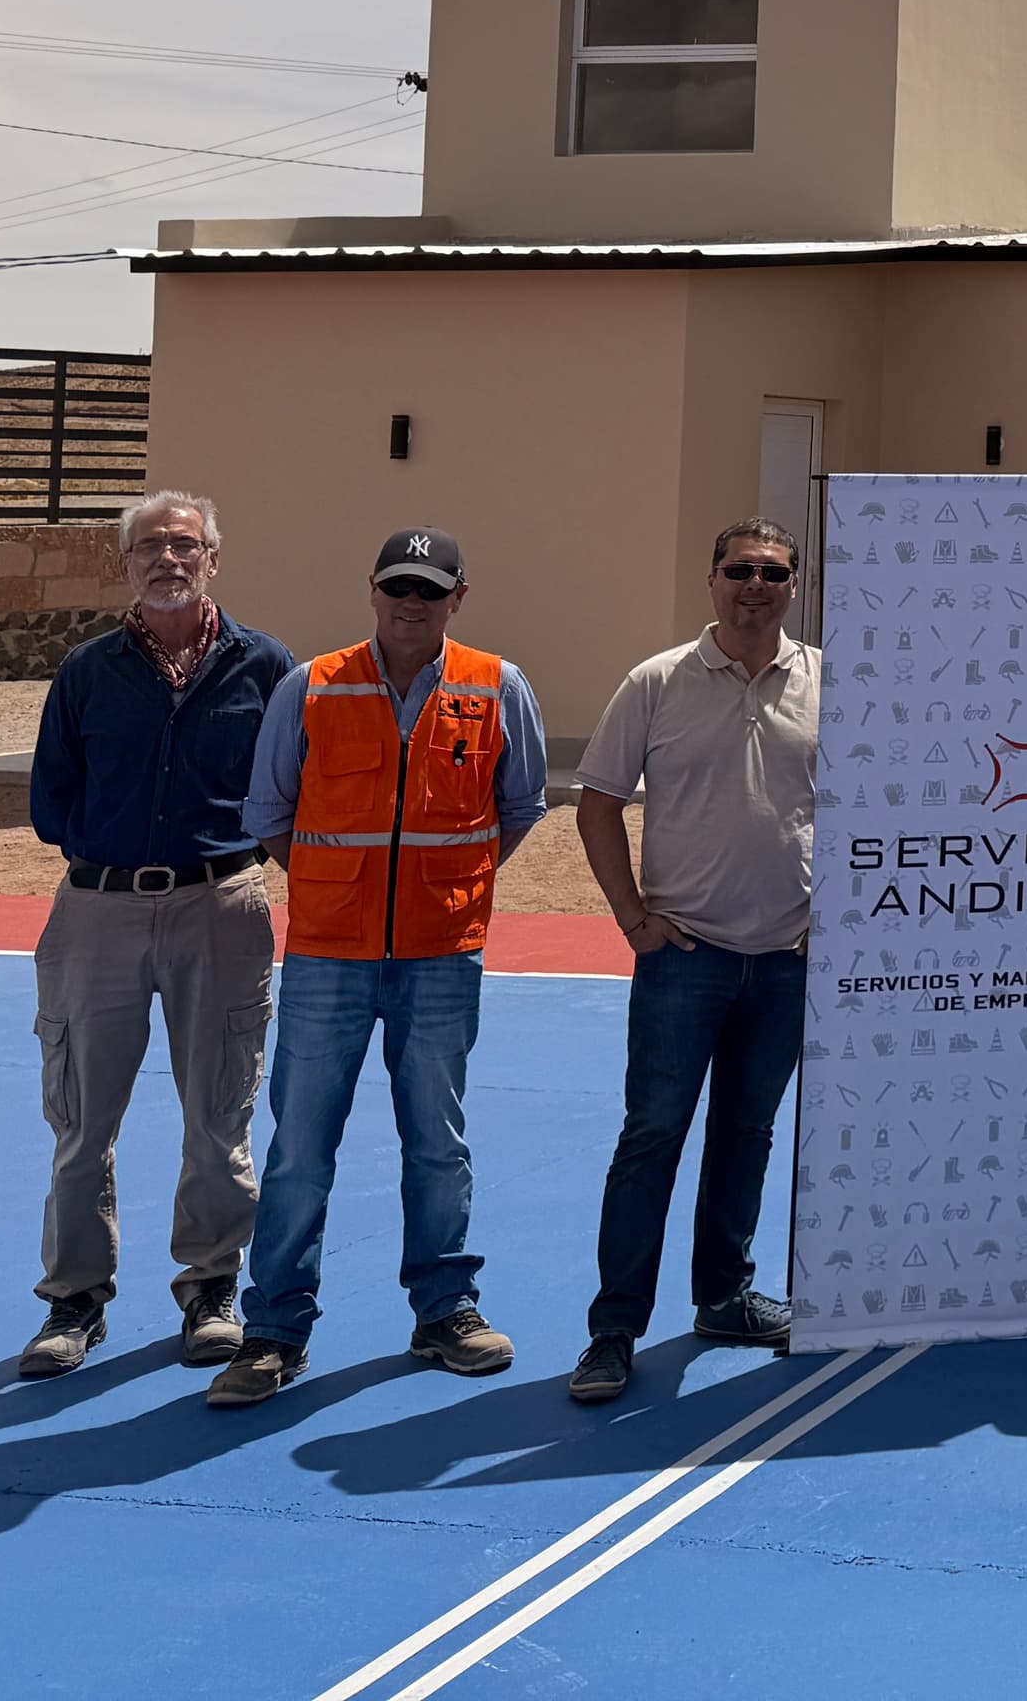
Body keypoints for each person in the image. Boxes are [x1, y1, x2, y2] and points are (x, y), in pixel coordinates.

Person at [208, 529, 547, 1406]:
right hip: (329, 955)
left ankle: (445, 1310)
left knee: (438, 1143)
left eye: (429, 591)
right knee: (300, 1148)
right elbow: (268, 810)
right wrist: (340, 888)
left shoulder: (498, 686)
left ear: (458, 599)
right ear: (372, 590)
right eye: (398, 586)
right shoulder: (311, 685)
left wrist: (443, 890)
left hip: (441, 956)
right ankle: (275, 1329)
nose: (411, 603)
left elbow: (519, 808)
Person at [16, 491, 297, 1380]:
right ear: (126, 564)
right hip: (98, 908)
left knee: (219, 1114)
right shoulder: (88, 671)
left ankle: (211, 1286)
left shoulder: (267, 668)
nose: (167, 560)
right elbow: (51, 799)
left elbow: (291, 786)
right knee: (80, 1119)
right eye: (150, 547)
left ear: (213, 558)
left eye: (185, 545)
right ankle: (75, 1300)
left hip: (221, 906)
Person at [565, 518, 823, 1405]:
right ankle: (613, 1329)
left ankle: (724, 1296)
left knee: (748, 1135)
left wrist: (834, 920)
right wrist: (633, 919)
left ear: (795, 584)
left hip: (787, 960)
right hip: (685, 957)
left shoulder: (830, 682)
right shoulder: (657, 681)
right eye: (741, 570)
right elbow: (595, 805)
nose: (757, 585)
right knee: (652, 1139)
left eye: (774, 573)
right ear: (712, 580)